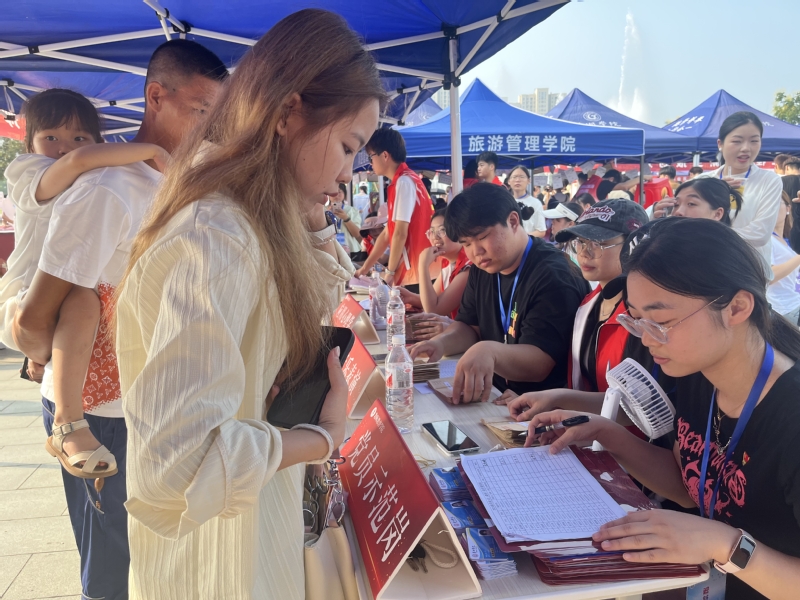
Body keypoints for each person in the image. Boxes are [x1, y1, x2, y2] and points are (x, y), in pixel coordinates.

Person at [115, 9, 384, 599]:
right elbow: (177, 465)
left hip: (249, 536)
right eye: (347, 146)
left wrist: (312, 220)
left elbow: (310, 304)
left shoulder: (247, 220)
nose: (348, 173)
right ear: (287, 113)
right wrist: (321, 437)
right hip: (219, 565)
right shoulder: (220, 236)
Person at [12, 40, 228, 600]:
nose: (209, 126)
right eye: (200, 110)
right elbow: (36, 318)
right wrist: (40, 357)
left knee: (146, 552)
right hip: (98, 410)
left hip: (146, 399)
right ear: (156, 96)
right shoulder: (110, 186)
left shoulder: (173, 180)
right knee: (111, 564)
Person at [527, 217, 800, 600]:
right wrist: (606, 433)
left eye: (661, 321)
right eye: (637, 320)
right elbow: (690, 488)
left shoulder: (790, 417)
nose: (646, 338)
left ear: (737, 307)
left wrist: (726, 545)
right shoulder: (696, 374)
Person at [2, 88, 170, 480]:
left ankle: (45, 363)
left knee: (85, 299)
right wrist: (153, 152)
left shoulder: (93, 181)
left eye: (79, 136)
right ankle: (68, 421)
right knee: (84, 300)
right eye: (51, 137)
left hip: (54, 311)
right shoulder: (29, 172)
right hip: (22, 300)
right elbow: (78, 161)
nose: (64, 147)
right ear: (29, 144)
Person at [409, 182, 589, 403]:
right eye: (466, 244)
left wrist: (489, 351)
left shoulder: (554, 276)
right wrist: (441, 343)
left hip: (541, 405)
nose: (476, 252)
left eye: (482, 237)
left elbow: (540, 364)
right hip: (497, 393)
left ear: (513, 221)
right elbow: (469, 327)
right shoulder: (482, 269)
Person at [552, 199, 648, 392]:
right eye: (580, 242)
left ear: (634, 246)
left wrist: (557, 399)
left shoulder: (646, 317)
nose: (584, 253)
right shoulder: (588, 304)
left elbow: (636, 402)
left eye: (597, 243)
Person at [692, 112, 782, 271]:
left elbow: (760, 234)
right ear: (720, 143)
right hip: (706, 266)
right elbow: (688, 224)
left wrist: (708, 234)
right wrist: (713, 189)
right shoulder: (702, 181)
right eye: (737, 141)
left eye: (754, 141)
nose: (746, 148)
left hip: (748, 271)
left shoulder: (769, 180)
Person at [354, 128, 433, 290]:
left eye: (370, 157)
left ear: (385, 155)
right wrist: (364, 269)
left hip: (418, 270)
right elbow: (387, 233)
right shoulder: (403, 180)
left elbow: (399, 233)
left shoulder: (404, 182)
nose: (370, 163)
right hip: (418, 269)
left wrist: (389, 272)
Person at [399, 208, 471, 322]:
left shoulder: (468, 268)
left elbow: (433, 310)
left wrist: (423, 266)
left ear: (459, 232)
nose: (435, 237)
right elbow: (434, 299)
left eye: (442, 230)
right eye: (432, 231)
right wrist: (410, 297)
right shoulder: (448, 262)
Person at [767, 192, 800, 324]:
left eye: (776, 203)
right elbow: (769, 275)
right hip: (785, 308)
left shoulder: (785, 241)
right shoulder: (766, 239)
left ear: (788, 209)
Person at [655, 177, 743, 224]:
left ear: (717, 214)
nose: (678, 212)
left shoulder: (724, 251)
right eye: (676, 204)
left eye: (691, 204)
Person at [507, 166, 546, 238]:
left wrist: (522, 238)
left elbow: (541, 231)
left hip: (528, 243)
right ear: (509, 181)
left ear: (528, 180)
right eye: (514, 177)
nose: (518, 180)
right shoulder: (505, 202)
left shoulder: (536, 203)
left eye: (521, 177)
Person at [329, 182, 363, 258]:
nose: (336, 195)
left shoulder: (352, 211)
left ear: (345, 194)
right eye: (333, 192)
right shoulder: (323, 211)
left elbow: (357, 234)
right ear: (328, 195)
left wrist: (346, 218)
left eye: (339, 192)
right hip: (330, 251)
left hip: (351, 251)